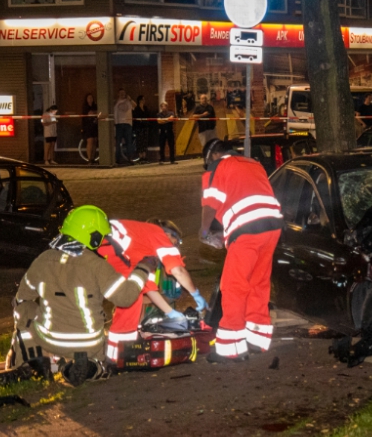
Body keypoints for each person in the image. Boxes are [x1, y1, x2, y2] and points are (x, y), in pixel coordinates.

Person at [10, 205, 147, 385]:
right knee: (102, 358)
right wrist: (143, 270)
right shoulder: (96, 265)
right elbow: (125, 297)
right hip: (88, 345)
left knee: (25, 307)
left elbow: (22, 297)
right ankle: (92, 367)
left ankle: (27, 362)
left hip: (49, 340)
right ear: (94, 238)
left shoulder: (43, 260)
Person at [200, 138, 283, 362]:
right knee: (259, 282)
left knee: (233, 286)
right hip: (272, 227)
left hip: (247, 232)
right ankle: (257, 338)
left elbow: (211, 203)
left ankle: (230, 349)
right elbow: (247, 198)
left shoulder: (218, 166)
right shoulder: (253, 164)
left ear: (214, 155)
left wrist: (204, 232)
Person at [99, 218, 207, 362]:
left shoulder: (140, 250)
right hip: (103, 248)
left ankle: (117, 355)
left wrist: (171, 312)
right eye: (177, 241)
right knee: (130, 299)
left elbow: (148, 287)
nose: (175, 245)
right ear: (169, 234)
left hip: (100, 250)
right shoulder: (157, 233)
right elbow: (178, 270)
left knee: (132, 295)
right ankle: (119, 357)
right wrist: (196, 295)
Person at [113, 89, 136, 165]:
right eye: (121, 93)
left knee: (129, 142)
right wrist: (115, 123)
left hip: (127, 124)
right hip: (119, 124)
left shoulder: (128, 101)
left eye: (124, 93)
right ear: (118, 94)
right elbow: (114, 113)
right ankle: (117, 159)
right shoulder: (116, 102)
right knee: (118, 142)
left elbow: (135, 105)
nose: (122, 94)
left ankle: (130, 158)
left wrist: (130, 99)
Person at [81, 93, 101, 165]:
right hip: (88, 127)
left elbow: (98, 113)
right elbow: (89, 114)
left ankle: (93, 158)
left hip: (95, 126)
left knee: (95, 141)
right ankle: (89, 159)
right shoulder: (85, 107)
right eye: (89, 98)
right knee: (90, 141)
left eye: (91, 98)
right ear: (86, 99)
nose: (90, 99)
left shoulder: (95, 106)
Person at [133, 95, 151, 163]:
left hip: (145, 127)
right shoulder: (137, 108)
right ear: (140, 100)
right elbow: (136, 116)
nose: (144, 101)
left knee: (145, 141)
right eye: (143, 99)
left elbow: (148, 115)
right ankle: (140, 156)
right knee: (139, 141)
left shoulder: (145, 108)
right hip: (139, 127)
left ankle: (144, 156)